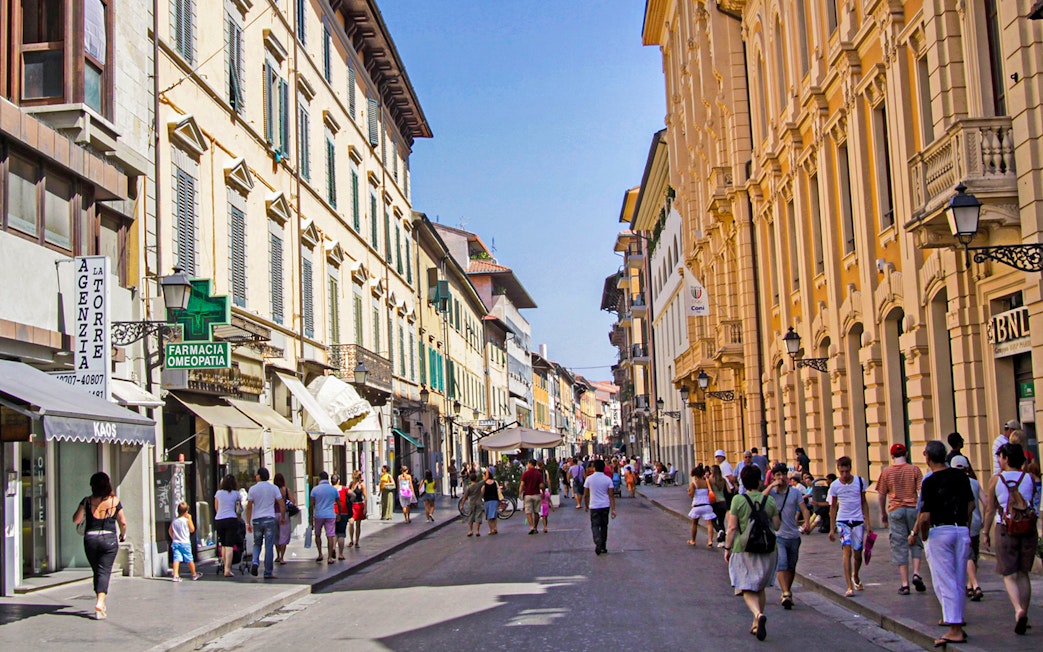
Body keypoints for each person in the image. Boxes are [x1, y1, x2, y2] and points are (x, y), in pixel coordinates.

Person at [914, 440, 973, 647]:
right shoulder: (961, 476)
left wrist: (923, 536)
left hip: (941, 530)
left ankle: (955, 628)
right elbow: (970, 505)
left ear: (927, 457)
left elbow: (925, 516)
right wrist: (965, 525)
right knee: (958, 578)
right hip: (961, 529)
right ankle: (957, 618)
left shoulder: (930, 481)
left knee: (944, 580)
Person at [982, 443, 1038, 635]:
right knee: (1023, 573)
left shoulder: (996, 480)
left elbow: (990, 509)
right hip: (1028, 529)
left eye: (1000, 457)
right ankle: (1026, 612)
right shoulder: (1029, 477)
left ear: (1005, 458)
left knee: (1009, 574)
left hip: (1005, 528)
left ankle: (1018, 610)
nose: (999, 460)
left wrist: (985, 533)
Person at [724, 465, 781, 641]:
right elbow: (777, 525)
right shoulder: (769, 501)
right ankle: (756, 623)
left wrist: (727, 548)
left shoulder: (738, 501)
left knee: (745, 586)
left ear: (743, 481)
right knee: (760, 586)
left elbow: (732, 527)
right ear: (759, 481)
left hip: (744, 549)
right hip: (767, 549)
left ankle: (757, 614)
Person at [72, 471, 127, 619]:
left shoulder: (87, 501)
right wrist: (123, 534)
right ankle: (100, 602)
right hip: (109, 539)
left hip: (91, 539)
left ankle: (100, 602)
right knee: (104, 571)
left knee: (97, 570)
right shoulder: (115, 501)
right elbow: (122, 522)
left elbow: (76, 520)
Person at [876, 443, 926, 595]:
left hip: (895, 510)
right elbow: (922, 491)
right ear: (907, 454)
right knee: (915, 540)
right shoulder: (914, 470)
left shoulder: (887, 472)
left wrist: (883, 513)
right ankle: (916, 573)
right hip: (912, 509)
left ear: (892, 456)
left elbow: (881, 494)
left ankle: (904, 584)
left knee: (899, 545)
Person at [768, 466, 812, 609]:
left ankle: (788, 590)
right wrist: (771, 486)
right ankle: (785, 593)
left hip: (793, 534)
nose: (781, 477)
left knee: (791, 566)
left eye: (783, 474)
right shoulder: (771, 493)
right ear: (774, 476)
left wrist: (807, 523)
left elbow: (804, 509)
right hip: (778, 535)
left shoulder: (794, 492)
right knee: (782, 564)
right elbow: (760, 498)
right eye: (778, 475)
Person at [827, 456, 869, 597]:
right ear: (838, 470)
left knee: (858, 553)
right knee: (847, 551)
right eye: (841, 471)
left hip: (857, 520)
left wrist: (867, 522)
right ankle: (849, 586)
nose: (844, 475)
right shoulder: (835, 485)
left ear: (850, 468)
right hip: (843, 520)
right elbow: (833, 507)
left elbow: (864, 502)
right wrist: (832, 528)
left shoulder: (859, 481)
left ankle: (855, 575)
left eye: (846, 471)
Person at [949, 456, 984, 602]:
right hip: (976, 522)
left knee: (967, 555)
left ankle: (975, 585)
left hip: (962, 523)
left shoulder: (952, 483)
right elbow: (986, 502)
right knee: (974, 553)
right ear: (966, 467)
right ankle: (970, 585)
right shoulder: (975, 483)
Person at [245, 467, 285, 579]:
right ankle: (268, 572)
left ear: (259, 476)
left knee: (257, 543)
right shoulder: (274, 488)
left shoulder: (252, 489)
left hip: (257, 519)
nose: (255, 476)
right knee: (269, 546)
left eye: (257, 475)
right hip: (269, 519)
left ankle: (255, 562)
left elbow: (249, 507)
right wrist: (282, 516)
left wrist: (248, 522)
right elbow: (281, 503)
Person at [584, 459, 617, 555]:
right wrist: (613, 509)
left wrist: (586, 505)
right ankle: (603, 546)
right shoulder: (608, 479)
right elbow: (611, 495)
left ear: (594, 468)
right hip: (605, 505)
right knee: (604, 526)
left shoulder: (589, 479)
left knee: (594, 525)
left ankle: (597, 541)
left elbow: (586, 494)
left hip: (594, 505)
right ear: (604, 468)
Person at [214, 474, 241, 576]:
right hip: (231, 519)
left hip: (219, 519)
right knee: (229, 545)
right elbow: (239, 507)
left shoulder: (218, 493)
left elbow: (216, 507)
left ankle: (224, 565)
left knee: (224, 544)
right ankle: (227, 569)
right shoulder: (236, 494)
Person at [169, 502, 202, 582]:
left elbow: (170, 530)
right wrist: (190, 519)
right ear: (186, 511)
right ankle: (194, 574)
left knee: (176, 559)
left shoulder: (174, 520)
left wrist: (173, 537)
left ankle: (176, 575)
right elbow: (192, 529)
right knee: (189, 559)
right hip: (185, 543)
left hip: (176, 542)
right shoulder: (187, 520)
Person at [310, 471, 338, 564]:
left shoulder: (315, 489)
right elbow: (339, 503)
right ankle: (329, 557)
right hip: (330, 514)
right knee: (330, 536)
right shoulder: (333, 489)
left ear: (320, 478)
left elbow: (311, 504)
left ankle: (320, 554)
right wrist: (339, 514)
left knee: (317, 534)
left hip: (319, 515)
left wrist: (311, 516)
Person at [687, 465, 715, 547]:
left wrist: (688, 492)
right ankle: (710, 541)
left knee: (694, 524)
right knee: (709, 524)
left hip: (697, 506)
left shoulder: (694, 484)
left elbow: (691, 495)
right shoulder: (706, 482)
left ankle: (693, 540)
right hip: (707, 505)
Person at [273, 472, 293, 565]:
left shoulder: (273, 490)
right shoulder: (286, 490)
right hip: (284, 514)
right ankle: (282, 557)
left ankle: (277, 555)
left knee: (276, 535)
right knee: (284, 535)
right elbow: (293, 501)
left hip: (274, 514)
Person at [521, 459, 544, 534]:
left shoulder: (525, 473)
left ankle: (531, 527)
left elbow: (522, 485)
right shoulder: (538, 474)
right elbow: (541, 485)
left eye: (528, 463)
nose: (527, 465)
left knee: (528, 512)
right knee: (536, 512)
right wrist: (543, 492)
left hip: (528, 494)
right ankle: (535, 527)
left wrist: (520, 493)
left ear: (530, 464)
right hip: (536, 494)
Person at [709, 465, 730, 546]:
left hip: (715, 502)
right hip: (723, 502)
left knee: (712, 521)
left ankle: (719, 530)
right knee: (721, 521)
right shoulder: (723, 480)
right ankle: (723, 542)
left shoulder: (710, 480)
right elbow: (729, 490)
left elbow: (708, 489)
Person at [347, 470, 367, 547]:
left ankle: (357, 541)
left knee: (358, 524)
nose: (354, 478)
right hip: (352, 506)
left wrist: (365, 508)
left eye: (355, 477)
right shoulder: (351, 484)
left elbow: (365, 497)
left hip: (359, 505)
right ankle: (351, 540)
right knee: (351, 523)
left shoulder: (361, 485)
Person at [333, 474, 350, 558]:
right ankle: (340, 554)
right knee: (341, 534)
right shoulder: (344, 489)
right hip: (343, 512)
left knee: (334, 533)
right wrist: (349, 501)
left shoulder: (330, 489)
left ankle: (333, 547)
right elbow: (353, 494)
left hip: (332, 513)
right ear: (338, 480)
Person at [464, 472, 484, 536]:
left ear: (470, 479)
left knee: (471, 516)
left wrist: (462, 504)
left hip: (471, 503)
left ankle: (470, 530)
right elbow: (486, 479)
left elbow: (465, 497)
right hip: (478, 502)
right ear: (476, 479)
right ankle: (477, 531)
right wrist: (486, 469)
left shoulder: (469, 487)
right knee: (478, 516)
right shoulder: (479, 484)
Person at [482, 468, 501, 534]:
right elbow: (498, 491)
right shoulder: (495, 482)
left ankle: (491, 529)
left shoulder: (484, 484)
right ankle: (495, 528)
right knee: (494, 515)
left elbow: (482, 492)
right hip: (495, 500)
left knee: (489, 517)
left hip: (487, 500)